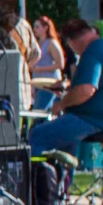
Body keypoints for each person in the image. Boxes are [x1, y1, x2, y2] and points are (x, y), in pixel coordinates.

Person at [31, 20, 103, 155]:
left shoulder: (92, 50)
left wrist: (61, 104)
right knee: (64, 146)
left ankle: (38, 169)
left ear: (71, 41)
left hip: (90, 118)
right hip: (94, 118)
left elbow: (86, 90)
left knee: (36, 136)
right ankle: (63, 174)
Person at [31, 16, 66, 111]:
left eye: (37, 27)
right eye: (34, 27)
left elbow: (60, 64)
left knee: (40, 113)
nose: (34, 30)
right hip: (38, 83)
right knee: (40, 112)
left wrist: (40, 69)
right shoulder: (37, 43)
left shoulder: (51, 43)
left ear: (46, 28)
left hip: (50, 84)